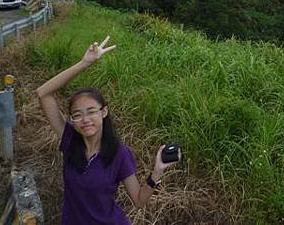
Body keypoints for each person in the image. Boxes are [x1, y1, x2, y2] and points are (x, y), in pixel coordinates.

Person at [36, 36, 179, 224]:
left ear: (104, 112)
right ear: (72, 119)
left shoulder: (119, 154)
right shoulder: (70, 140)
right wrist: (84, 63)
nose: (85, 120)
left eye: (91, 112)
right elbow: (43, 93)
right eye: (77, 115)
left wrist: (157, 173)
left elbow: (138, 201)